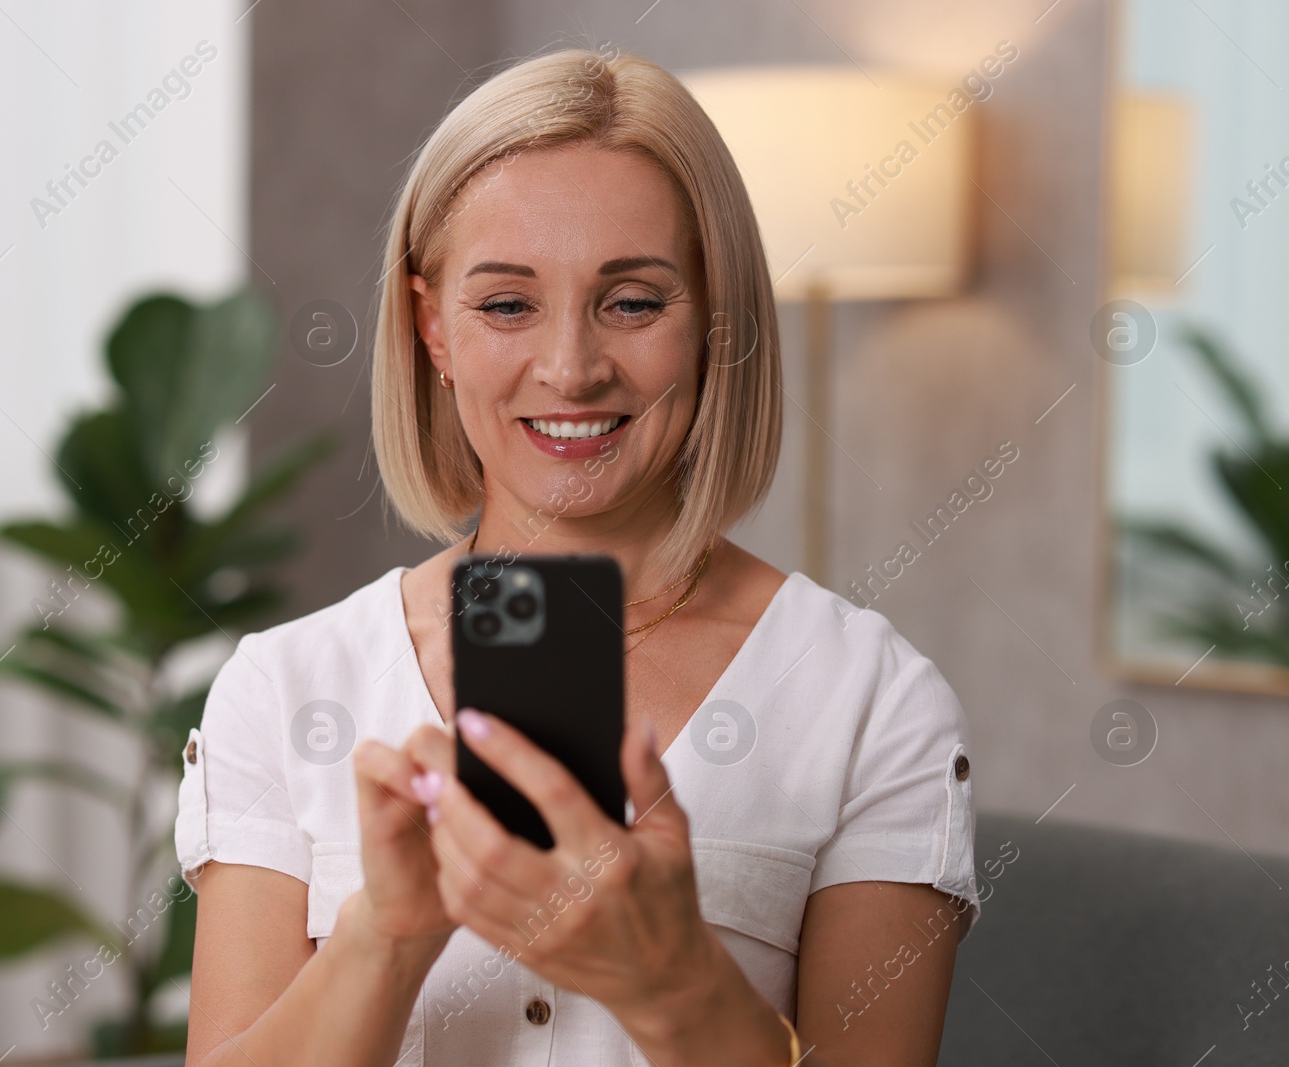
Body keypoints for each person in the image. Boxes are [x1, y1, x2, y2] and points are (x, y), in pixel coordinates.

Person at [176, 46, 979, 1067]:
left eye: (633, 301)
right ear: (432, 325)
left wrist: (673, 977)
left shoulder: (873, 700)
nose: (570, 367)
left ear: (713, 322)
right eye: (506, 304)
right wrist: (382, 938)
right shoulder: (283, 686)